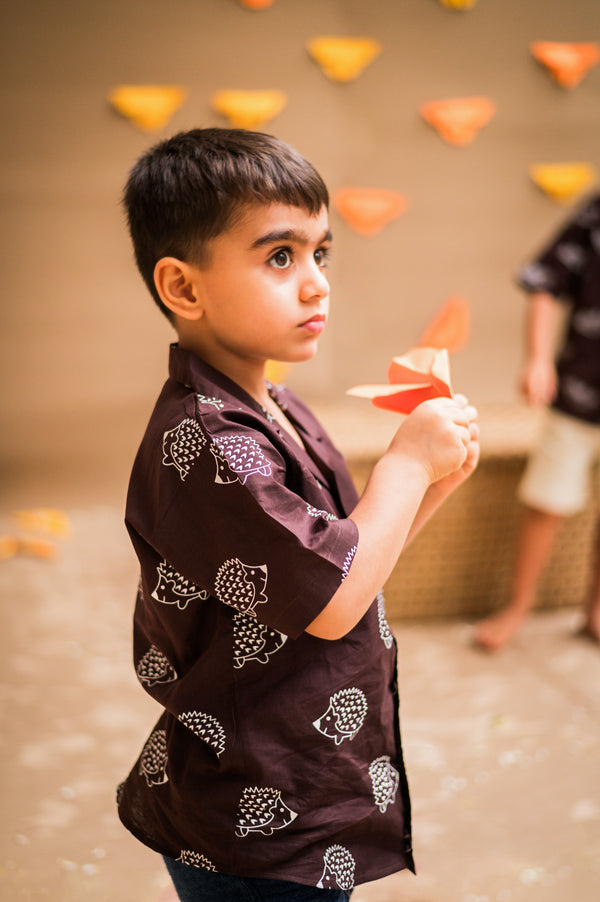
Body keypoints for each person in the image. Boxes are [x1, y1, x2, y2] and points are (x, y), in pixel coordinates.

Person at [116, 127, 479, 901]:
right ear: (184, 288)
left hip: (305, 774)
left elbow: (343, 561)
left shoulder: (275, 403)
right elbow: (334, 598)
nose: (316, 283)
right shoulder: (210, 439)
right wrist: (407, 462)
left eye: (321, 254)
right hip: (255, 810)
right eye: (280, 257)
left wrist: (432, 484)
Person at [475, 193, 600, 652]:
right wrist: (538, 360)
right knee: (548, 502)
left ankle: (596, 611)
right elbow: (546, 282)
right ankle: (518, 605)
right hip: (578, 396)